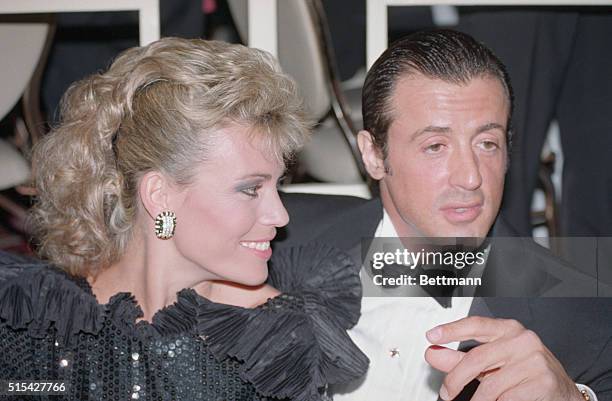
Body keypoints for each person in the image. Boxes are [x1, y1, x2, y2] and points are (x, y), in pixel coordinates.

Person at [0, 37, 368, 400]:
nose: (280, 214)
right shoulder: (32, 317)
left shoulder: (264, 343)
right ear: (159, 195)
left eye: (277, 186)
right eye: (250, 189)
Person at [276, 30, 612, 401]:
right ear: (373, 155)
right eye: (435, 146)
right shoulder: (273, 239)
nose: (471, 177)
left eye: (487, 144)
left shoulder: (581, 311)